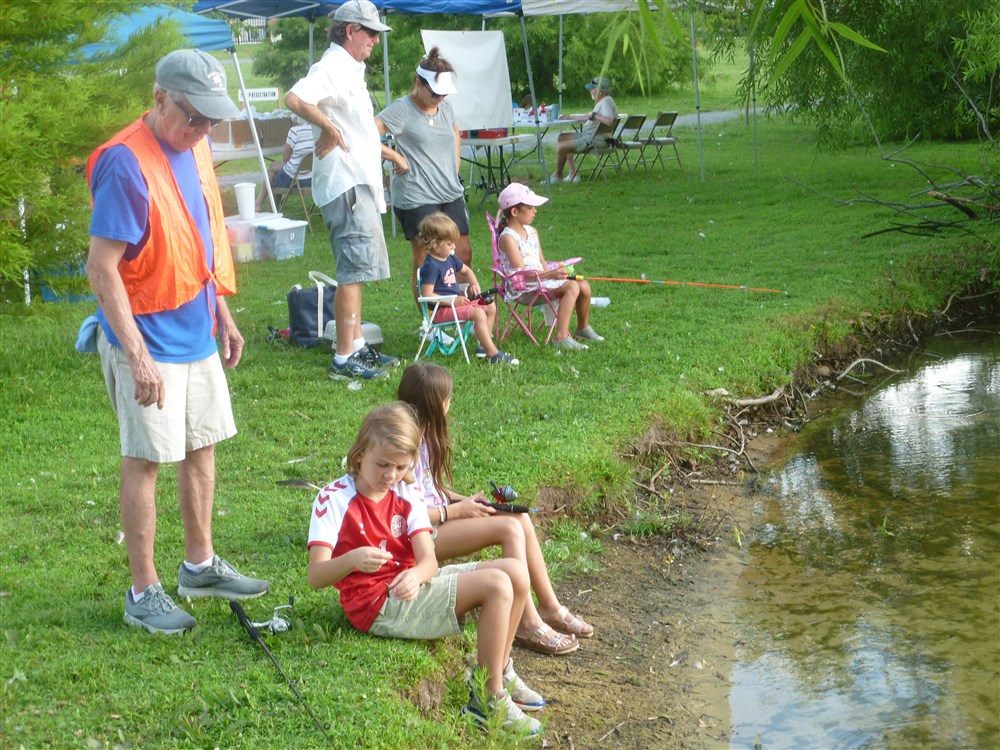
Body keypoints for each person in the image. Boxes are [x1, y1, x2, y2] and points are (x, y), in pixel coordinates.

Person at [83, 49, 269, 635]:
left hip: (196, 329)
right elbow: (101, 266)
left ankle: (200, 565)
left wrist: (223, 311)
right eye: (194, 117)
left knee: (202, 447)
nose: (203, 130)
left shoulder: (197, 146)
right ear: (160, 98)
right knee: (145, 461)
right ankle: (144, 592)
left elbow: (196, 237)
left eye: (212, 120)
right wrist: (136, 355)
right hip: (148, 337)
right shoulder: (124, 162)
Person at [306, 403, 544, 736]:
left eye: (400, 466)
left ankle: (499, 671)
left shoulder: (405, 491)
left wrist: (417, 576)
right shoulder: (333, 499)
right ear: (359, 455)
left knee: (515, 572)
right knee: (497, 585)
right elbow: (316, 576)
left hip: (410, 586)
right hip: (376, 604)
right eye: (382, 464)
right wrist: (353, 559)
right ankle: (487, 700)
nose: (390, 475)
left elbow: (428, 560)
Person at [398, 362, 594, 655]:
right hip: (420, 537)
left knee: (518, 517)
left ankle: (549, 607)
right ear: (438, 405)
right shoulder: (404, 444)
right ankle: (527, 623)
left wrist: (467, 501)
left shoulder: (425, 436)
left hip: (438, 519)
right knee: (508, 528)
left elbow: (429, 491)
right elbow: (402, 512)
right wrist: (455, 511)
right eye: (448, 398)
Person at [285, 0, 400, 381]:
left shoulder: (352, 69)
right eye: (370, 33)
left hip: (357, 179)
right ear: (350, 31)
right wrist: (329, 129)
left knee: (359, 268)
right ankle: (343, 358)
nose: (375, 41)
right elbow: (295, 98)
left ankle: (357, 346)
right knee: (351, 269)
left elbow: (359, 130)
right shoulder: (332, 66)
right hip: (345, 182)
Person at [375, 48, 471, 306]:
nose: (441, 98)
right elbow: (366, 135)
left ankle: (459, 313)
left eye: (444, 93)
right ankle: (430, 324)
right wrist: (395, 157)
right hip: (416, 194)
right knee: (427, 260)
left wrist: (455, 165)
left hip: (449, 190)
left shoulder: (446, 108)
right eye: (435, 93)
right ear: (418, 83)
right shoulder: (401, 109)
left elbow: (455, 132)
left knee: (461, 252)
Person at [496, 183, 604, 350]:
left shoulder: (532, 231)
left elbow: (542, 261)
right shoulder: (508, 238)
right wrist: (550, 276)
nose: (535, 211)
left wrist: (553, 273)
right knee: (572, 288)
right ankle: (561, 337)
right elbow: (522, 273)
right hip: (524, 289)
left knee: (584, 286)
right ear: (514, 212)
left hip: (541, 281)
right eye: (530, 207)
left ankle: (582, 328)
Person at [417, 212, 518, 366]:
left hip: (456, 305)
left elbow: (466, 271)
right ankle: (493, 354)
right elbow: (427, 295)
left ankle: (483, 347)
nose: (454, 247)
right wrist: (453, 300)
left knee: (489, 306)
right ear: (433, 243)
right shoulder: (430, 266)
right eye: (449, 244)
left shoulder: (449, 258)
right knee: (478, 313)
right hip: (440, 311)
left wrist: (473, 283)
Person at [554, 76, 618, 182]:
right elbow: (589, 117)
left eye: (592, 88)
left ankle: (558, 176)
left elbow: (609, 120)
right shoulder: (604, 101)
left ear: (600, 91)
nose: (590, 90)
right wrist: (569, 117)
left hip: (594, 140)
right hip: (591, 136)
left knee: (560, 147)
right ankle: (573, 174)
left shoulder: (605, 102)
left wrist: (594, 115)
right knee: (562, 137)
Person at [254, 117, 314, 211]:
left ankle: (266, 209)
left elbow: (286, 158)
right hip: (313, 178)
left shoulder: (294, 131)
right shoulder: (319, 131)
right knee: (274, 166)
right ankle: (259, 204)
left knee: (274, 177)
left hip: (295, 178)